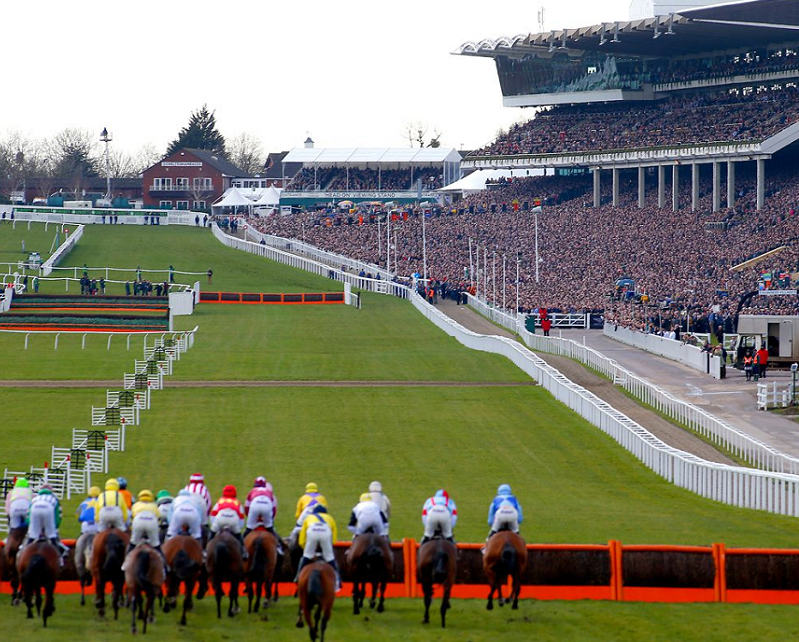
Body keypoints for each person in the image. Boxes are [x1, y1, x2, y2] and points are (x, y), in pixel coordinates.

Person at [297, 504, 340, 591]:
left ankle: (298, 578)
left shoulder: (309, 517)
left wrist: (305, 549)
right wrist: (328, 549)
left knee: (306, 556)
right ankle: (338, 581)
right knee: (330, 558)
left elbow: (302, 538)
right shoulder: (330, 518)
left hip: (312, 533)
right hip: (325, 534)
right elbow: (334, 537)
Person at [25, 485, 70, 563]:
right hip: (48, 508)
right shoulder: (54, 499)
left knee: (33, 535)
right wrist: (54, 528)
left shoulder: (35, 498)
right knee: (51, 535)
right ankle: (59, 559)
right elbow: (57, 517)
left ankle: (23, 553)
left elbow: (28, 516)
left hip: (35, 507)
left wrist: (31, 527)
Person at [124, 489, 167, 570]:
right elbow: (159, 519)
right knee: (157, 545)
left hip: (138, 521)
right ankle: (164, 566)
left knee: (132, 544)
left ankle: (125, 565)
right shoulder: (154, 505)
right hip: (151, 522)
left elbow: (131, 519)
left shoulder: (136, 505)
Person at [244, 476, 282, 552]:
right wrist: (270, 521)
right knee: (270, 528)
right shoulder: (269, 492)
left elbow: (246, 507)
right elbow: (274, 508)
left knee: (248, 528)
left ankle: (241, 544)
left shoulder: (252, 490)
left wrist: (251, 519)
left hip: (255, 506)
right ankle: (278, 546)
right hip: (267, 506)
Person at [209, 485, 248, 559]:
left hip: (220, 519)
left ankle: (206, 551)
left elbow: (212, 516)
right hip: (233, 520)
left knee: (211, 533)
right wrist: (237, 529)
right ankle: (243, 551)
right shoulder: (237, 502)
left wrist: (214, 527)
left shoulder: (220, 501)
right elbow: (241, 520)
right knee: (238, 536)